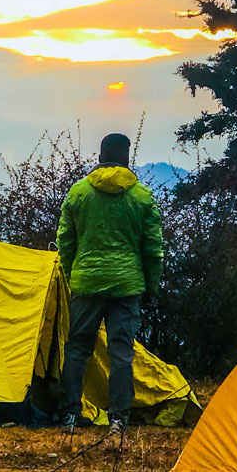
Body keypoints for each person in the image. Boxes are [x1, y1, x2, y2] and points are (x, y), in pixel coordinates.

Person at [55, 133, 163, 435]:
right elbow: (153, 248)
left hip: (86, 283)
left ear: (101, 156)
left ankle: (70, 415)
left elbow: (66, 241)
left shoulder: (79, 193)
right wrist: (151, 286)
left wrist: (72, 274)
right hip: (127, 286)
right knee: (121, 353)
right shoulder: (141, 196)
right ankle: (118, 418)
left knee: (77, 349)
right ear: (127, 158)